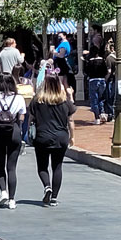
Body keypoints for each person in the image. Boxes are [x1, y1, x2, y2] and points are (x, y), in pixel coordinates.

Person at [30, 74, 75, 207]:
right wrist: (72, 136)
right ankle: (54, 197)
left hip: (42, 136)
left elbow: (31, 118)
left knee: (42, 167)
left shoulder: (37, 100)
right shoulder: (64, 101)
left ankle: (47, 186)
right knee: (57, 166)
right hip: (60, 136)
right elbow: (71, 119)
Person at [0, 73, 26, 208]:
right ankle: (12, 200)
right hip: (14, 132)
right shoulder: (18, 98)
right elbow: (22, 117)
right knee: (12, 167)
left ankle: (3, 192)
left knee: (0, 165)